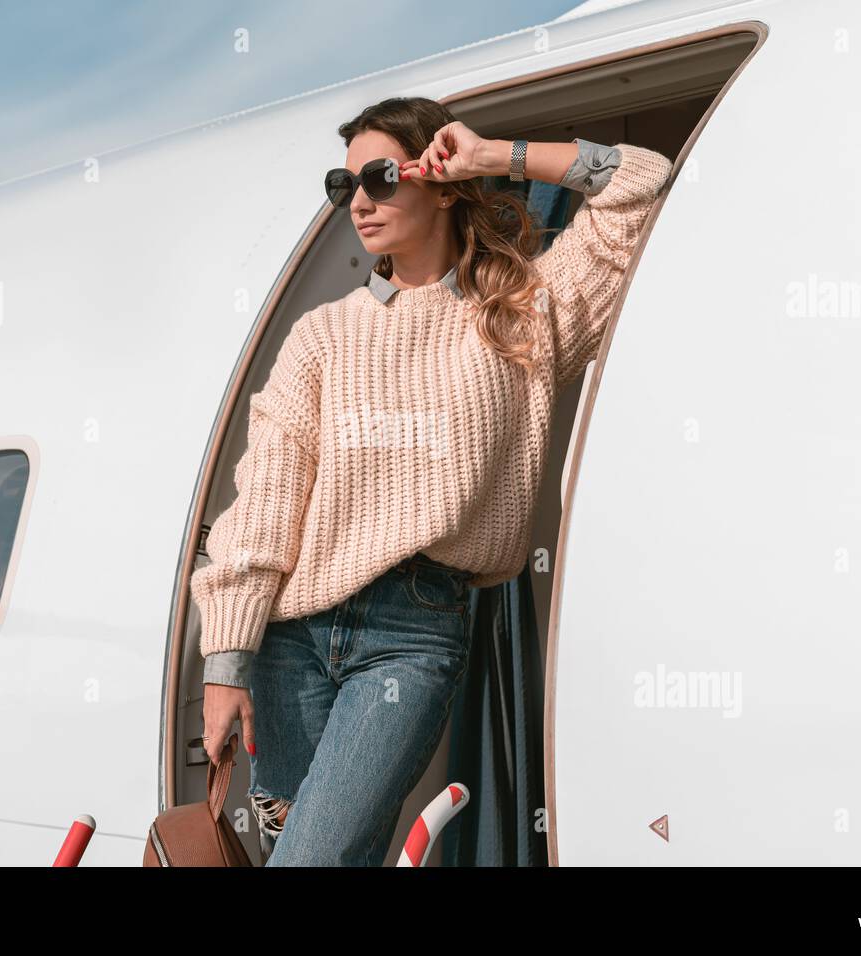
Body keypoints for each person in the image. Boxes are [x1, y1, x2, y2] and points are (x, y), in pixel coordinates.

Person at [191, 95, 673, 865]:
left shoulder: (522, 314)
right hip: (290, 643)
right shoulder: (323, 336)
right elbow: (267, 504)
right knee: (304, 853)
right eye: (342, 185)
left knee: (311, 860)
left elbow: (638, 182)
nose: (360, 201)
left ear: (441, 181)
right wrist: (226, 665)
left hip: (410, 638)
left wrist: (495, 156)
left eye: (380, 176)